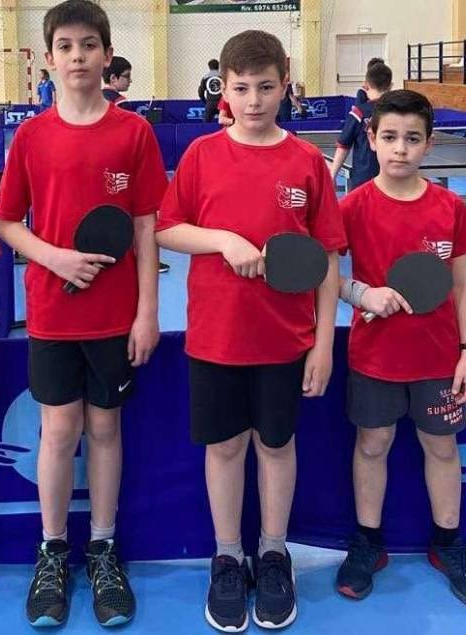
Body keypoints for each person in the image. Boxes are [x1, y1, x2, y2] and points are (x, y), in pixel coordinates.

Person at [156, 30, 345, 632]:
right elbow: (166, 228)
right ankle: (227, 557)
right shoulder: (202, 155)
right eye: (242, 88)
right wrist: (224, 240)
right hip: (216, 337)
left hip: (285, 340)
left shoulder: (307, 162)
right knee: (225, 447)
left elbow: (328, 257)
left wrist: (323, 342)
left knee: (276, 445)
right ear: (225, 91)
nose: (255, 100)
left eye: (266, 87)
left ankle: (273, 552)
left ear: (286, 85)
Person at [0, 0, 167, 627]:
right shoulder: (31, 137)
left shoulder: (134, 133)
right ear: (48, 58)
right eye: (65, 47)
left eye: (88, 45)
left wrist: (148, 312)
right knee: (59, 430)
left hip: (115, 318)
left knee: (105, 429)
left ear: (107, 55)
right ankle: (52, 551)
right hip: (52, 314)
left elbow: (146, 227)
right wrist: (55, 257)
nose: (77, 57)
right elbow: (7, 220)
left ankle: (103, 547)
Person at [335, 89, 466, 607]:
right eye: (390, 137)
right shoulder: (353, 206)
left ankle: (448, 543)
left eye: (412, 138)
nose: (400, 148)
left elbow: (463, 286)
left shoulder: (449, 207)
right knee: (372, 444)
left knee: (442, 448)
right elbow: (325, 275)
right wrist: (361, 293)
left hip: (439, 358)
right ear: (372, 139)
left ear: (429, 144)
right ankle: (367, 542)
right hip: (374, 356)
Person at [101, 55, 169, 273]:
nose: (130, 81)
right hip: (123, 168)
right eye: (126, 77)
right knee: (138, 215)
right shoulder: (121, 102)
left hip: (105, 168)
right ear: (113, 78)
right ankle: (144, 257)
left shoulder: (97, 100)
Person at [330, 62, 393, 188]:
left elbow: (343, 146)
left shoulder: (358, 113)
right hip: (393, 180)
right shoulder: (399, 112)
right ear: (391, 85)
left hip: (363, 179)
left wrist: (332, 175)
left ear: (366, 84)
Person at [198, 58, 222, 123]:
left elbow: (200, 92)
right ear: (218, 66)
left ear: (209, 67)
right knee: (225, 120)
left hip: (210, 103)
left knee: (206, 123)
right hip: (222, 103)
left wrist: (205, 101)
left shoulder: (205, 77)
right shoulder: (223, 76)